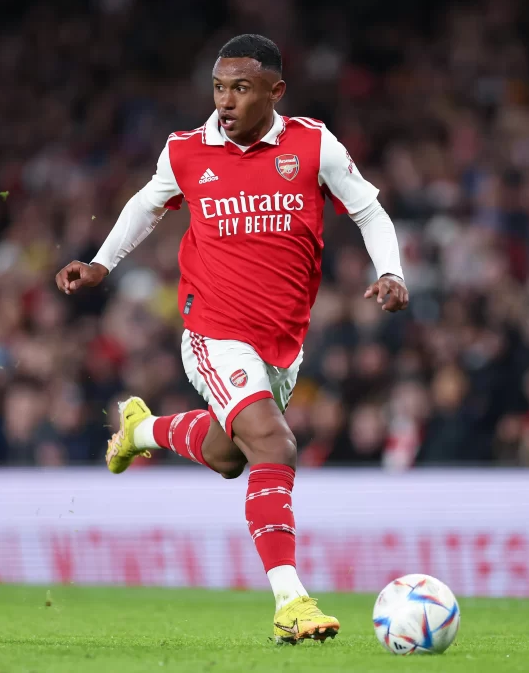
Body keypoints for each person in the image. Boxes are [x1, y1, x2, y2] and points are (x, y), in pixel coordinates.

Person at [55, 34, 408, 643]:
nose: (226, 100)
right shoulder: (188, 151)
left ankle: (140, 429)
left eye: (241, 88)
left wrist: (391, 270)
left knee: (227, 456)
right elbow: (147, 204)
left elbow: (370, 211)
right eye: (219, 87)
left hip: (282, 344)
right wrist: (101, 263)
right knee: (275, 446)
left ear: (276, 92)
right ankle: (291, 601)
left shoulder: (312, 145)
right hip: (212, 331)